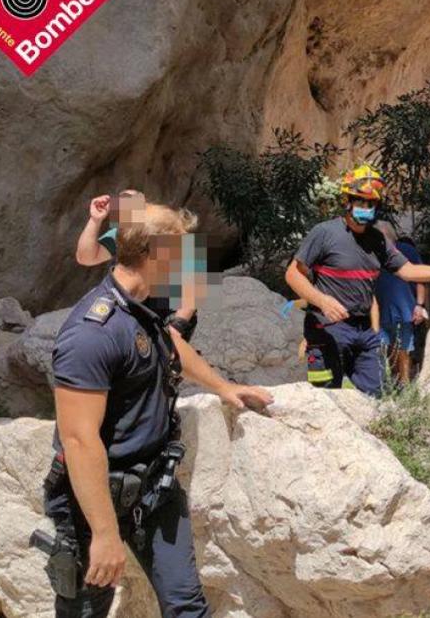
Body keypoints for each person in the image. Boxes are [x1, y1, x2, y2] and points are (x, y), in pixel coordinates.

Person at [41, 202, 275, 617]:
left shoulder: (142, 305)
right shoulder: (92, 334)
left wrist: (225, 387)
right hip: (95, 499)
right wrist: (104, 533)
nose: (188, 262)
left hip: (154, 485)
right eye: (181, 251)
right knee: (85, 611)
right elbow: (78, 440)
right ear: (154, 253)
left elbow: (169, 346)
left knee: (186, 605)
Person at [285, 164, 430, 397]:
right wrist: (322, 301)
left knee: (375, 394)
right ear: (346, 200)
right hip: (326, 328)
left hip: (364, 331)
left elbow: (408, 271)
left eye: (370, 203)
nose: (365, 208)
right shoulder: (324, 233)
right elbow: (293, 274)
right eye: (359, 201)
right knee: (325, 395)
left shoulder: (378, 240)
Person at [75, 189, 200, 341]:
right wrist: (95, 220)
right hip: (136, 310)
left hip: (169, 310)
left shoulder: (168, 232)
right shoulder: (121, 236)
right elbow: (85, 257)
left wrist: (176, 328)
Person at [373, 220, 429, 385]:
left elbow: (421, 278)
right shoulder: (371, 253)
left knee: (404, 348)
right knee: (383, 348)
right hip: (379, 311)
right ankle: (387, 384)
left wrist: (419, 305)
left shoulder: (406, 250)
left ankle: (404, 385)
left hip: (404, 309)